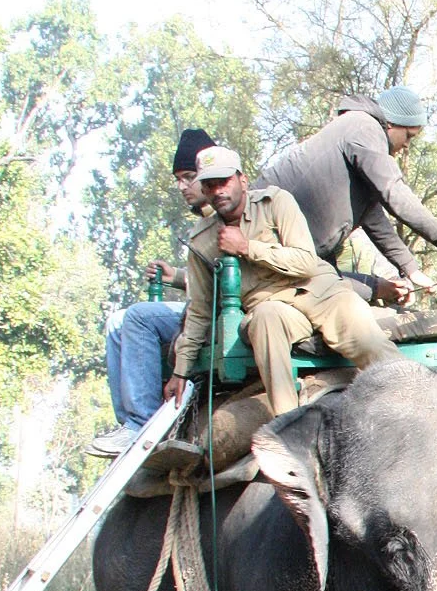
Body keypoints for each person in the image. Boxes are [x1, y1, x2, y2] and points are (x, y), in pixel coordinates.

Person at [165, 145, 397, 419]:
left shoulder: (275, 202)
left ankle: (418, 397)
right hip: (272, 306)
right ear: (204, 191)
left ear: (242, 180)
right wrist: (180, 371)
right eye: (209, 185)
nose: (218, 191)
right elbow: (200, 310)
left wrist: (247, 247)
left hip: (320, 292)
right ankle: (288, 424)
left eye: (223, 181)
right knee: (265, 318)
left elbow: (306, 262)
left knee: (370, 345)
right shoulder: (201, 240)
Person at [260, 86, 437, 308]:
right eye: (408, 136)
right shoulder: (365, 127)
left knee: (341, 294)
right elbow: (393, 191)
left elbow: (375, 219)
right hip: (268, 243)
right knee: (337, 299)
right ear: (391, 123)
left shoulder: (358, 134)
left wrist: (411, 269)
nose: (406, 145)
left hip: (297, 254)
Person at [89, 130, 214, 458]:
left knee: (139, 317)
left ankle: (140, 422)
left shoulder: (225, 213)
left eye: (188, 177)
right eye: (178, 179)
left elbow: (229, 277)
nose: (182, 186)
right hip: (199, 305)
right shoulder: (203, 220)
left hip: (213, 314)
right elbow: (207, 276)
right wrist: (177, 277)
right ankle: (127, 423)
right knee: (117, 322)